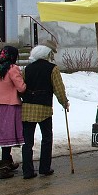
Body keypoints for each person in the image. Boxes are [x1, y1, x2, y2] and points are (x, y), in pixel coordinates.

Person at [21, 44, 69, 179]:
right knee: (46, 139)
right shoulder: (52, 69)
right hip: (44, 109)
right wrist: (64, 102)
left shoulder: (27, 69)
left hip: (27, 109)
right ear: (47, 55)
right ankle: (44, 168)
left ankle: (27, 171)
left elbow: (21, 87)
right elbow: (58, 88)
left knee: (27, 142)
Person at [0, 45, 26, 179]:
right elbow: (21, 88)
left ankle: (8, 161)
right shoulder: (12, 69)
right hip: (10, 106)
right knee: (9, 135)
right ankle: (4, 166)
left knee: (3, 135)